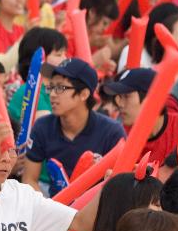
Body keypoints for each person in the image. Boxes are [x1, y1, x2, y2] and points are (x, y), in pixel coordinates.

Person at [22, 58, 126, 191]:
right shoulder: (43, 126)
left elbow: (119, 186)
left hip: (96, 206)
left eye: (60, 88)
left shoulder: (112, 132)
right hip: (55, 206)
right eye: (51, 87)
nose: (52, 94)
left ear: (84, 94)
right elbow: (29, 179)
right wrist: (48, 209)